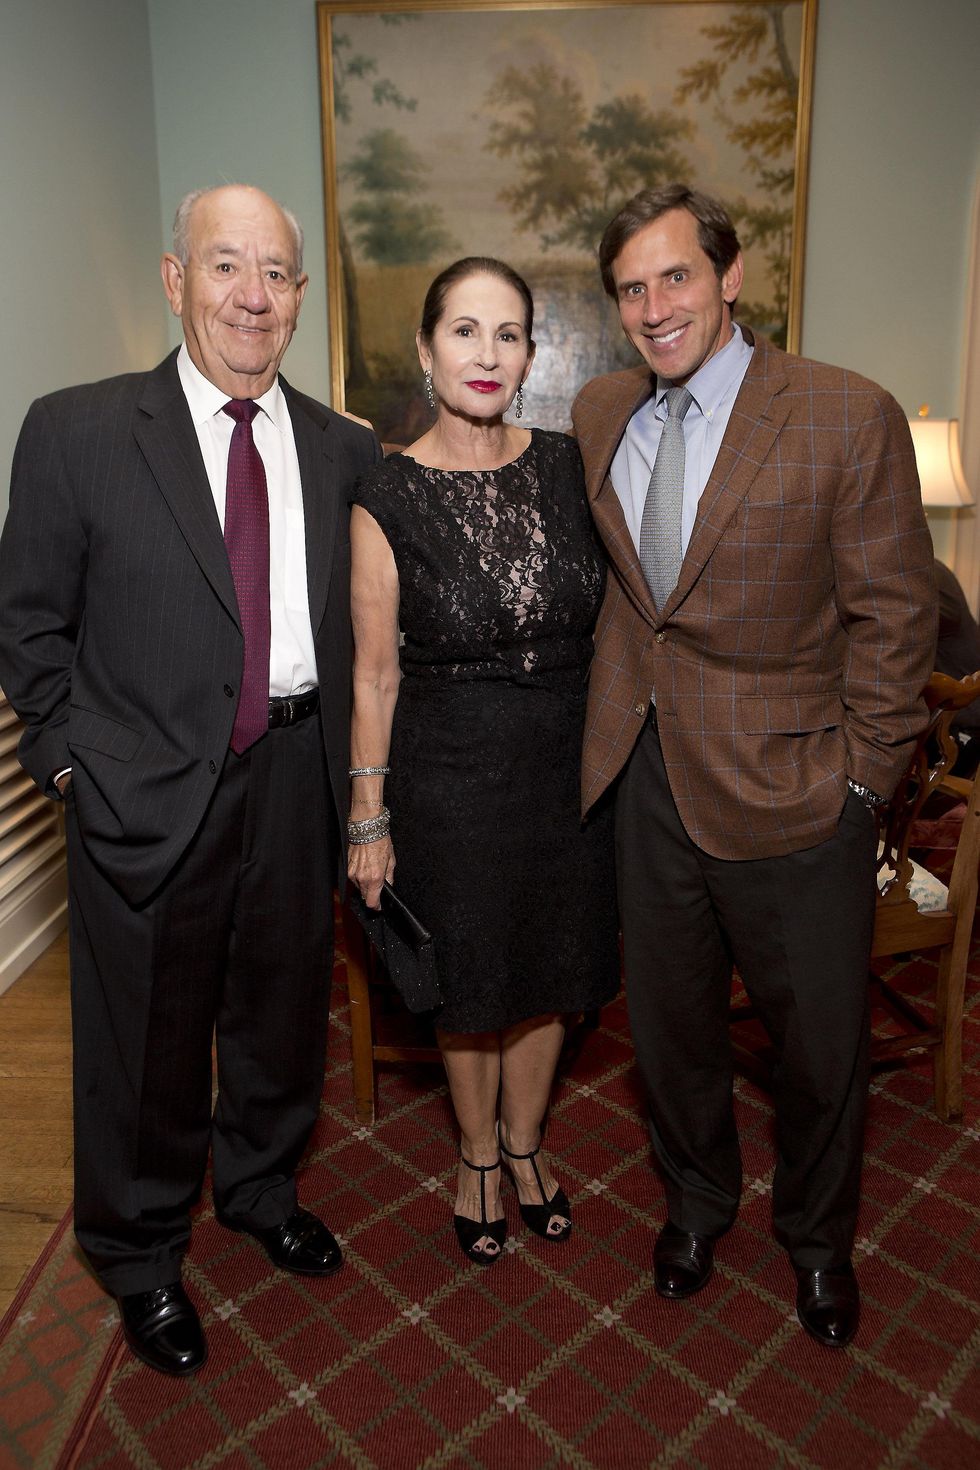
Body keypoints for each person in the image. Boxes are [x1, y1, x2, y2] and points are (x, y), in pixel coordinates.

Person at [0, 185, 380, 1375]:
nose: (251, 297)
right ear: (176, 280)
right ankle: (139, 1253)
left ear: (300, 296)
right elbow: (29, 625)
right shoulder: (76, 430)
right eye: (225, 265)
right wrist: (69, 764)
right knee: (143, 1043)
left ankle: (261, 1190)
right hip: (143, 790)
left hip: (297, 776)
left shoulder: (346, 448)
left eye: (274, 273)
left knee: (281, 1013)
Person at [572, 185, 936, 1347]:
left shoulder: (843, 412)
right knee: (670, 1034)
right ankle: (694, 1206)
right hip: (646, 784)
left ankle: (818, 1244)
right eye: (630, 289)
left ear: (728, 276)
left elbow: (894, 618)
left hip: (797, 794)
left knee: (818, 1048)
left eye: (674, 276)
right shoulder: (599, 411)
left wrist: (860, 783)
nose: (652, 308)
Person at [347, 257, 619, 1265]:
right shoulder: (386, 494)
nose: (486, 353)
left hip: (567, 774)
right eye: (464, 330)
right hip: (448, 779)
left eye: (507, 334)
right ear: (426, 350)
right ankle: (474, 1156)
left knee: (549, 970)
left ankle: (526, 1143)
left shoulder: (570, 467)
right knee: (467, 980)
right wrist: (369, 820)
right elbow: (375, 675)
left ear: (530, 357)